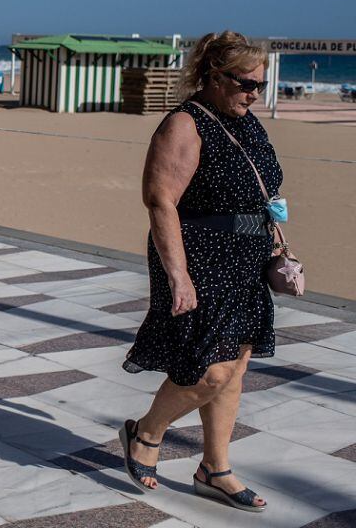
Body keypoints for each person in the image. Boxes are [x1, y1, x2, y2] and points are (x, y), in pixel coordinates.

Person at [120, 31, 281, 512]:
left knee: (236, 365)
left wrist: (275, 244)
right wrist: (179, 275)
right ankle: (147, 434)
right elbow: (160, 201)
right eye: (246, 84)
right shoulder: (184, 124)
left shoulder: (247, 123)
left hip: (247, 259)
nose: (254, 94)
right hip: (201, 259)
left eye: (260, 84)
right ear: (214, 76)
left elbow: (262, 193)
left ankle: (215, 468)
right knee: (211, 370)